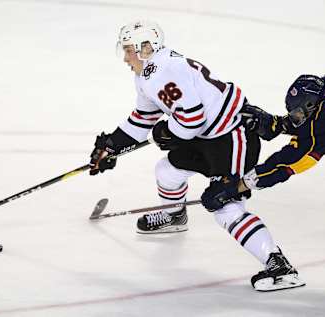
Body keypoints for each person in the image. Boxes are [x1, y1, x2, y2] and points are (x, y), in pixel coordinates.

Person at [88, 20, 305, 291]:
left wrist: (166, 133)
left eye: (129, 50)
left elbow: (190, 120)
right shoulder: (149, 73)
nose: (125, 57)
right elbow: (145, 117)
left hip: (231, 136)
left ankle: (279, 266)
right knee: (167, 171)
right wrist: (112, 145)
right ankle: (175, 216)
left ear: (146, 48)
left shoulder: (162, 72)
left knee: (225, 204)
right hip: (207, 136)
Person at [201, 71, 325, 267]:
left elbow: (286, 164)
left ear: (310, 105)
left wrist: (237, 187)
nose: (297, 118)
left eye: (299, 114)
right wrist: (279, 124)